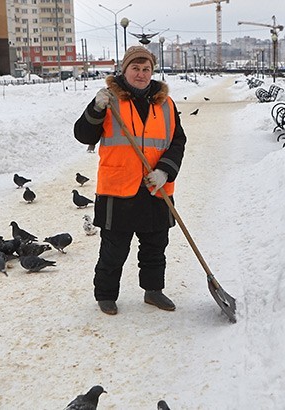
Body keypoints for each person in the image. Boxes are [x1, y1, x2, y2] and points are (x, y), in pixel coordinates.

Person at [73, 46, 187, 316]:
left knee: (155, 246)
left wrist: (165, 171)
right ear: (124, 71)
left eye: (146, 68)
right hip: (118, 187)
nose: (141, 73)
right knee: (113, 249)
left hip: (155, 187)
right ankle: (106, 294)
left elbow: (177, 141)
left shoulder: (165, 103)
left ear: (152, 71)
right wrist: (96, 108)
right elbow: (82, 133)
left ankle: (153, 291)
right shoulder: (109, 99)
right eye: (135, 68)